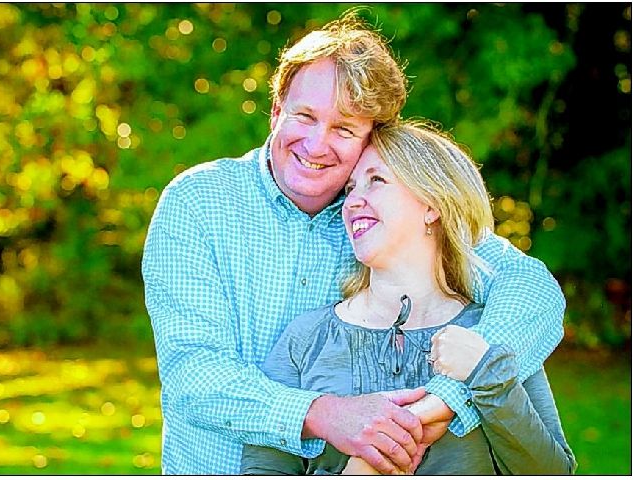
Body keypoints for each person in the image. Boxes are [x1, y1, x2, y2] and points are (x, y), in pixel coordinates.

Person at [142, 12, 566, 475]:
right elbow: (193, 373)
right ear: (277, 110)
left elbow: (532, 288)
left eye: (344, 128)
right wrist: (326, 415)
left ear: (372, 138)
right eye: (304, 116)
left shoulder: (389, 222)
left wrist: (449, 395)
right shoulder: (198, 202)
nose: (316, 144)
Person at [239, 121, 577, 474]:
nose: (352, 201)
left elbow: (553, 471)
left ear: (431, 204)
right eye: (350, 188)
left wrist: (487, 377)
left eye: (376, 180)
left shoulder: (493, 329)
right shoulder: (306, 338)